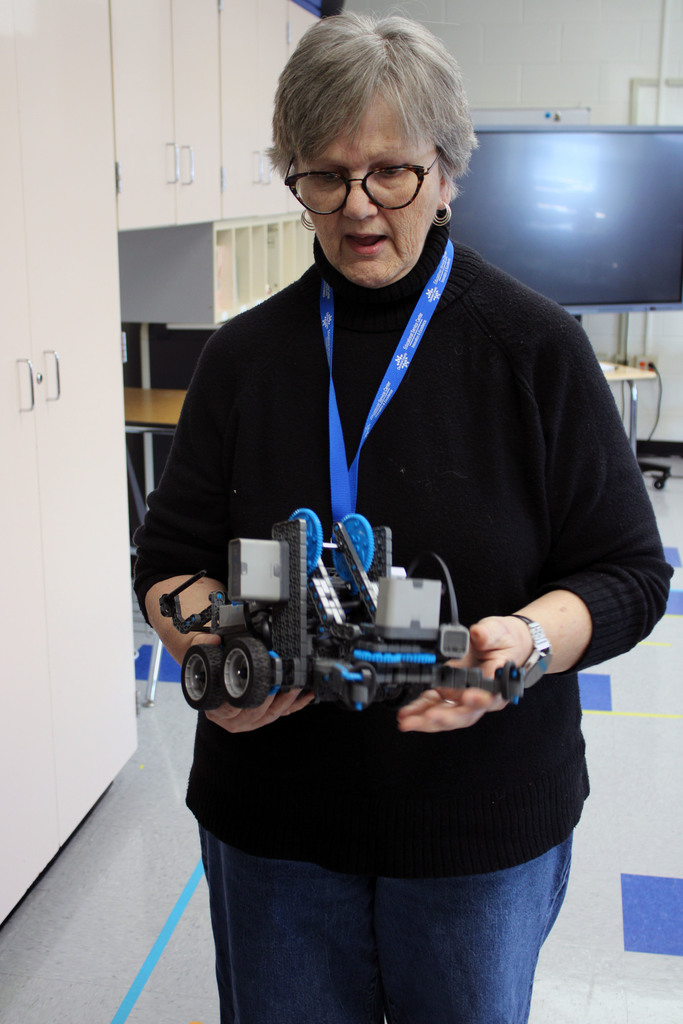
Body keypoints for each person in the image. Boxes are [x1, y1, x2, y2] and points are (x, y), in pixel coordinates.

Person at [134, 13, 672, 1024]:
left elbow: (629, 576)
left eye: (390, 171)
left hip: (474, 829)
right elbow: (168, 558)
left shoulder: (535, 348)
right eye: (324, 177)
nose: (357, 206)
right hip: (275, 823)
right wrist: (212, 649)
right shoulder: (241, 360)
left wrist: (521, 644)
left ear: (446, 169)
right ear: (294, 179)